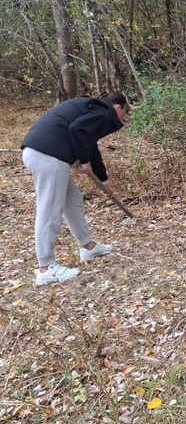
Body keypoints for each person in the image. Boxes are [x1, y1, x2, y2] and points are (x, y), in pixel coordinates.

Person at [21, 91, 130, 286]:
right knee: (50, 209)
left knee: (73, 199)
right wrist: (85, 161)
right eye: (124, 114)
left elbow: (90, 146)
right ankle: (46, 268)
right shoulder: (104, 112)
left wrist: (104, 182)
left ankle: (88, 246)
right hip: (49, 154)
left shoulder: (92, 108)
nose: (123, 119)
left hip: (42, 151)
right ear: (117, 108)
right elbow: (77, 130)